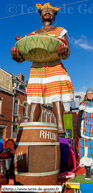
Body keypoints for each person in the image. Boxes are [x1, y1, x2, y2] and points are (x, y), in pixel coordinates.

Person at [11, 2, 74, 134]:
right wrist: (18, 57)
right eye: (44, 11)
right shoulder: (33, 34)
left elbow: (66, 52)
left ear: (54, 16)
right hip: (37, 67)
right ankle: (32, 126)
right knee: (35, 98)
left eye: (50, 11)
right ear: (40, 16)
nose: (47, 12)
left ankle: (60, 127)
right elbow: (26, 54)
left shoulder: (60, 31)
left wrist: (64, 52)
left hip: (54, 65)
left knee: (56, 97)